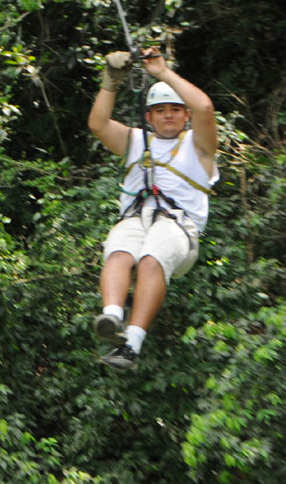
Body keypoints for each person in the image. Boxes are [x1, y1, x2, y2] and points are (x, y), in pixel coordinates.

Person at [87, 47, 218, 370]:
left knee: (149, 259)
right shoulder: (136, 141)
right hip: (138, 217)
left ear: (185, 115)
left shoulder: (199, 146)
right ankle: (112, 316)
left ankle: (132, 343)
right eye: (160, 110)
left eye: (176, 109)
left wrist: (161, 71)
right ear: (149, 117)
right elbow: (98, 124)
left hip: (178, 228)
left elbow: (204, 106)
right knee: (118, 250)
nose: (169, 115)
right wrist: (110, 82)